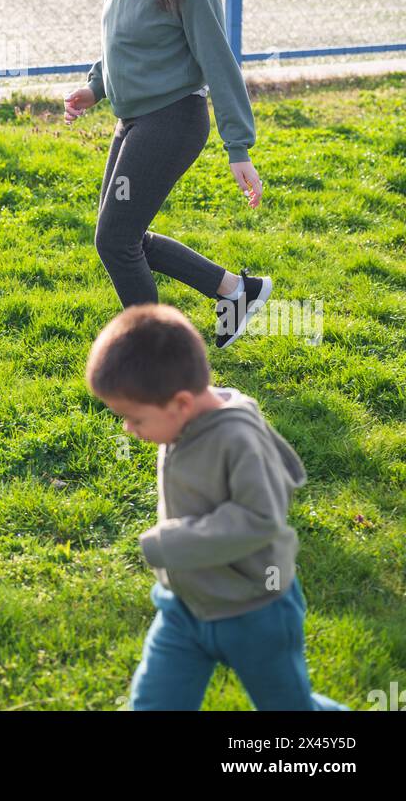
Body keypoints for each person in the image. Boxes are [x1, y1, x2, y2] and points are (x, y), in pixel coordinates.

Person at [85, 303, 350, 712]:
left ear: (181, 404)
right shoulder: (177, 422)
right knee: (154, 704)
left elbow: (259, 518)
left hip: (254, 611)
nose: (127, 428)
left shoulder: (237, 439)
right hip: (183, 607)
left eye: (133, 418)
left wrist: (173, 542)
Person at [64, 0, 270, 347]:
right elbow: (122, 41)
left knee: (114, 240)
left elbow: (218, 58)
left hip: (172, 119)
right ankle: (237, 291)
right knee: (124, 236)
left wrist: (237, 146)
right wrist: (95, 87)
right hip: (134, 119)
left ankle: (157, 357)